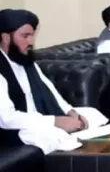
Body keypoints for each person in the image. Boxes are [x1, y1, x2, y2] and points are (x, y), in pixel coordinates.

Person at [0, 9, 89, 153]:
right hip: (17, 128)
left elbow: (50, 90)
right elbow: (6, 118)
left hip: (41, 118)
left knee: (92, 114)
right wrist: (55, 121)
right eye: (25, 36)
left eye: (32, 36)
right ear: (5, 38)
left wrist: (71, 112)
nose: (31, 42)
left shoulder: (25, 60)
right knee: (54, 137)